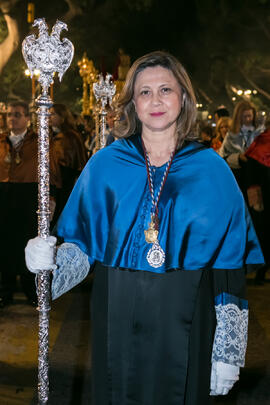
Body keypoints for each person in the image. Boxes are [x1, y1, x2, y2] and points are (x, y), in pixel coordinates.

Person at [25, 51, 264, 405]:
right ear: (132, 104)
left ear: (183, 98)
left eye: (166, 90)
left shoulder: (212, 170)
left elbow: (228, 268)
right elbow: (85, 247)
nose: (156, 101)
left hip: (188, 314)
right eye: (145, 92)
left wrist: (227, 354)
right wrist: (50, 260)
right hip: (116, 312)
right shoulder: (106, 164)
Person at [0, 101, 58, 307]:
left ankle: (31, 289)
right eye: (8, 115)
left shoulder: (38, 142)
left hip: (27, 197)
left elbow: (50, 172)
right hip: (4, 197)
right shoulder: (1, 141)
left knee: (27, 242)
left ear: (27, 118)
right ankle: (4, 290)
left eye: (16, 115)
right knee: (4, 245)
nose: (11, 119)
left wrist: (50, 199)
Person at [50, 103, 88, 224]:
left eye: (53, 114)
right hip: (52, 180)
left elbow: (78, 160)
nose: (49, 117)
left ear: (62, 117)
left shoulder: (72, 136)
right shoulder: (48, 134)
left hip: (67, 180)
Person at [219, 100, 264, 198]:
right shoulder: (231, 135)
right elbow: (223, 156)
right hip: (240, 177)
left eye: (250, 116)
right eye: (245, 116)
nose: (248, 119)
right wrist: (238, 157)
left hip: (260, 175)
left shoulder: (260, 131)